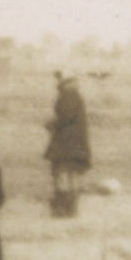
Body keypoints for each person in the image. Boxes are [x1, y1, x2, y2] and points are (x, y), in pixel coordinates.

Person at [44, 72, 92, 218]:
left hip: (66, 143)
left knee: (62, 174)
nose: (58, 82)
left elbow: (66, 117)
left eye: (60, 79)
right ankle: (71, 208)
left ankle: (63, 208)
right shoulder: (75, 95)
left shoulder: (68, 96)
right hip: (76, 142)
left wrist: (52, 123)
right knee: (73, 175)